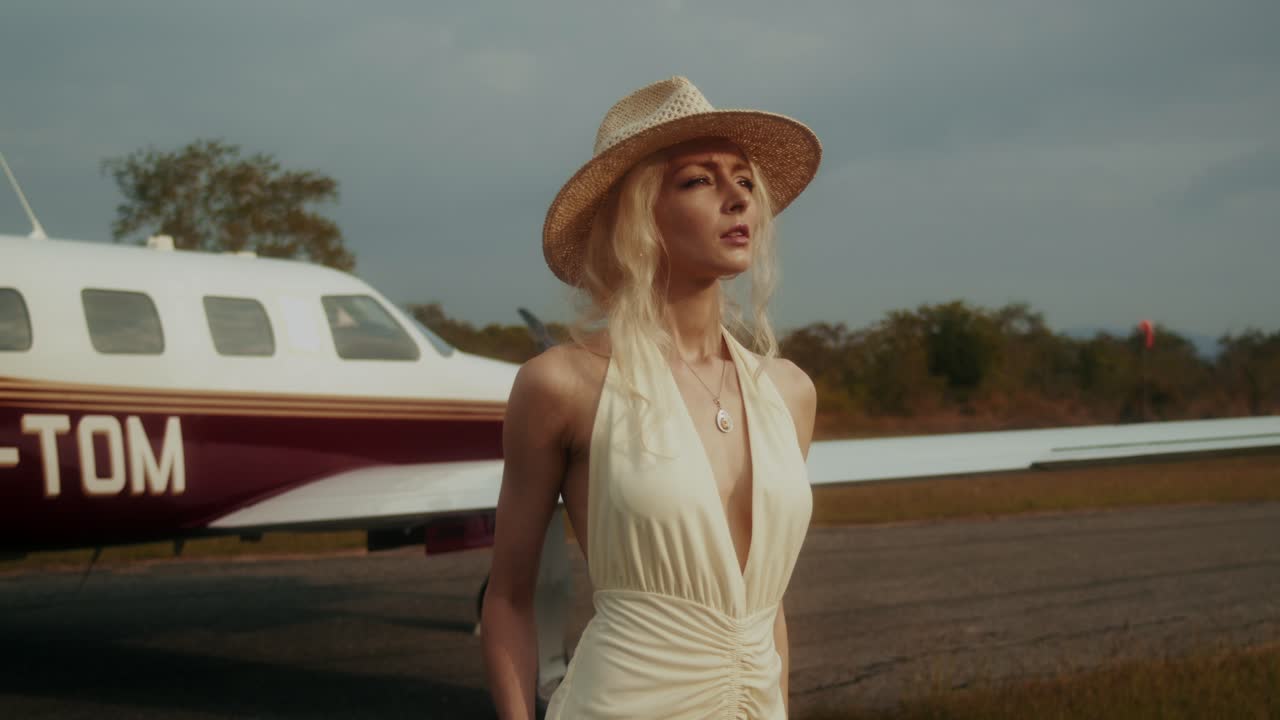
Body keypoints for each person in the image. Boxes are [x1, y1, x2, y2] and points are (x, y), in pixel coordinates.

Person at [482, 76, 822, 719]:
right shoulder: (564, 384)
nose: (736, 200)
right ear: (637, 214)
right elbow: (507, 599)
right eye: (699, 180)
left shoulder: (790, 392)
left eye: (745, 182)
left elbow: (766, 603)